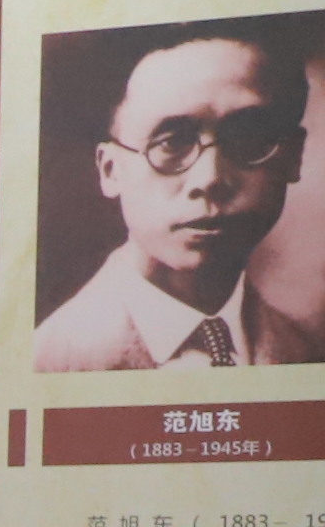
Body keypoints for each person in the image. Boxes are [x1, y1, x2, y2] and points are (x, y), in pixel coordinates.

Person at [32, 24, 321, 371]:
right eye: (171, 142)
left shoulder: (309, 350)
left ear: (293, 157)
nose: (210, 178)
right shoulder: (48, 362)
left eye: (249, 137)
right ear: (111, 169)